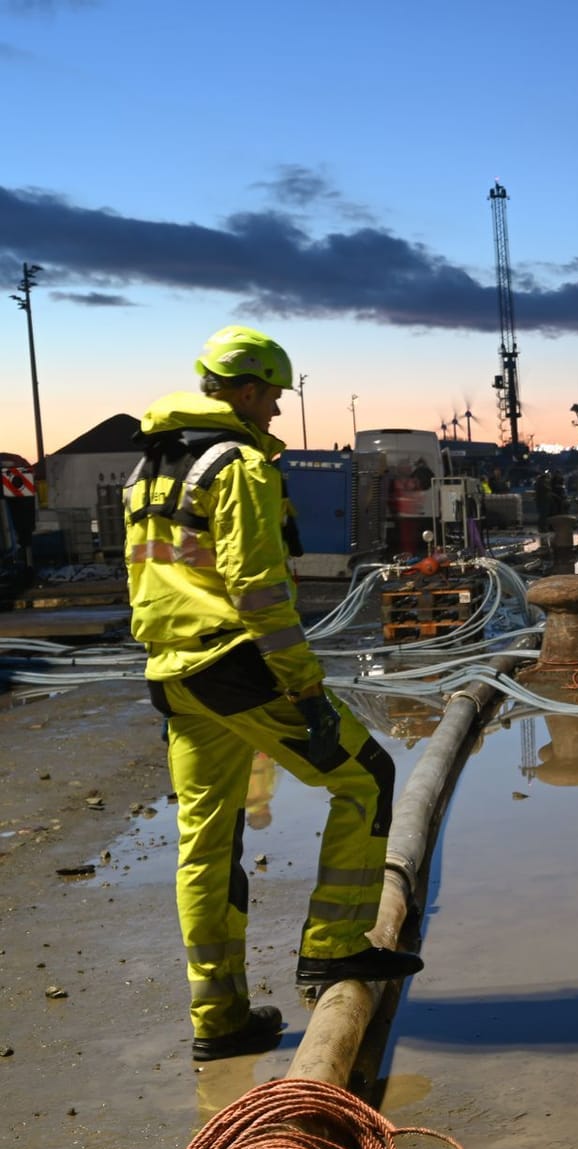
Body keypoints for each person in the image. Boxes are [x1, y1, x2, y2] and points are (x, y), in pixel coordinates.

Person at [124, 325, 423, 1063]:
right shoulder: (239, 468)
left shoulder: (151, 469)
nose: (278, 414)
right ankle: (334, 948)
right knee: (368, 779)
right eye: (276, 397)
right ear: (249, 389)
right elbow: (257, 591)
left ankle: (218, 1016)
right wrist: (308, 692)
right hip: (238, 664)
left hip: (174, 675)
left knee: (207, 844)